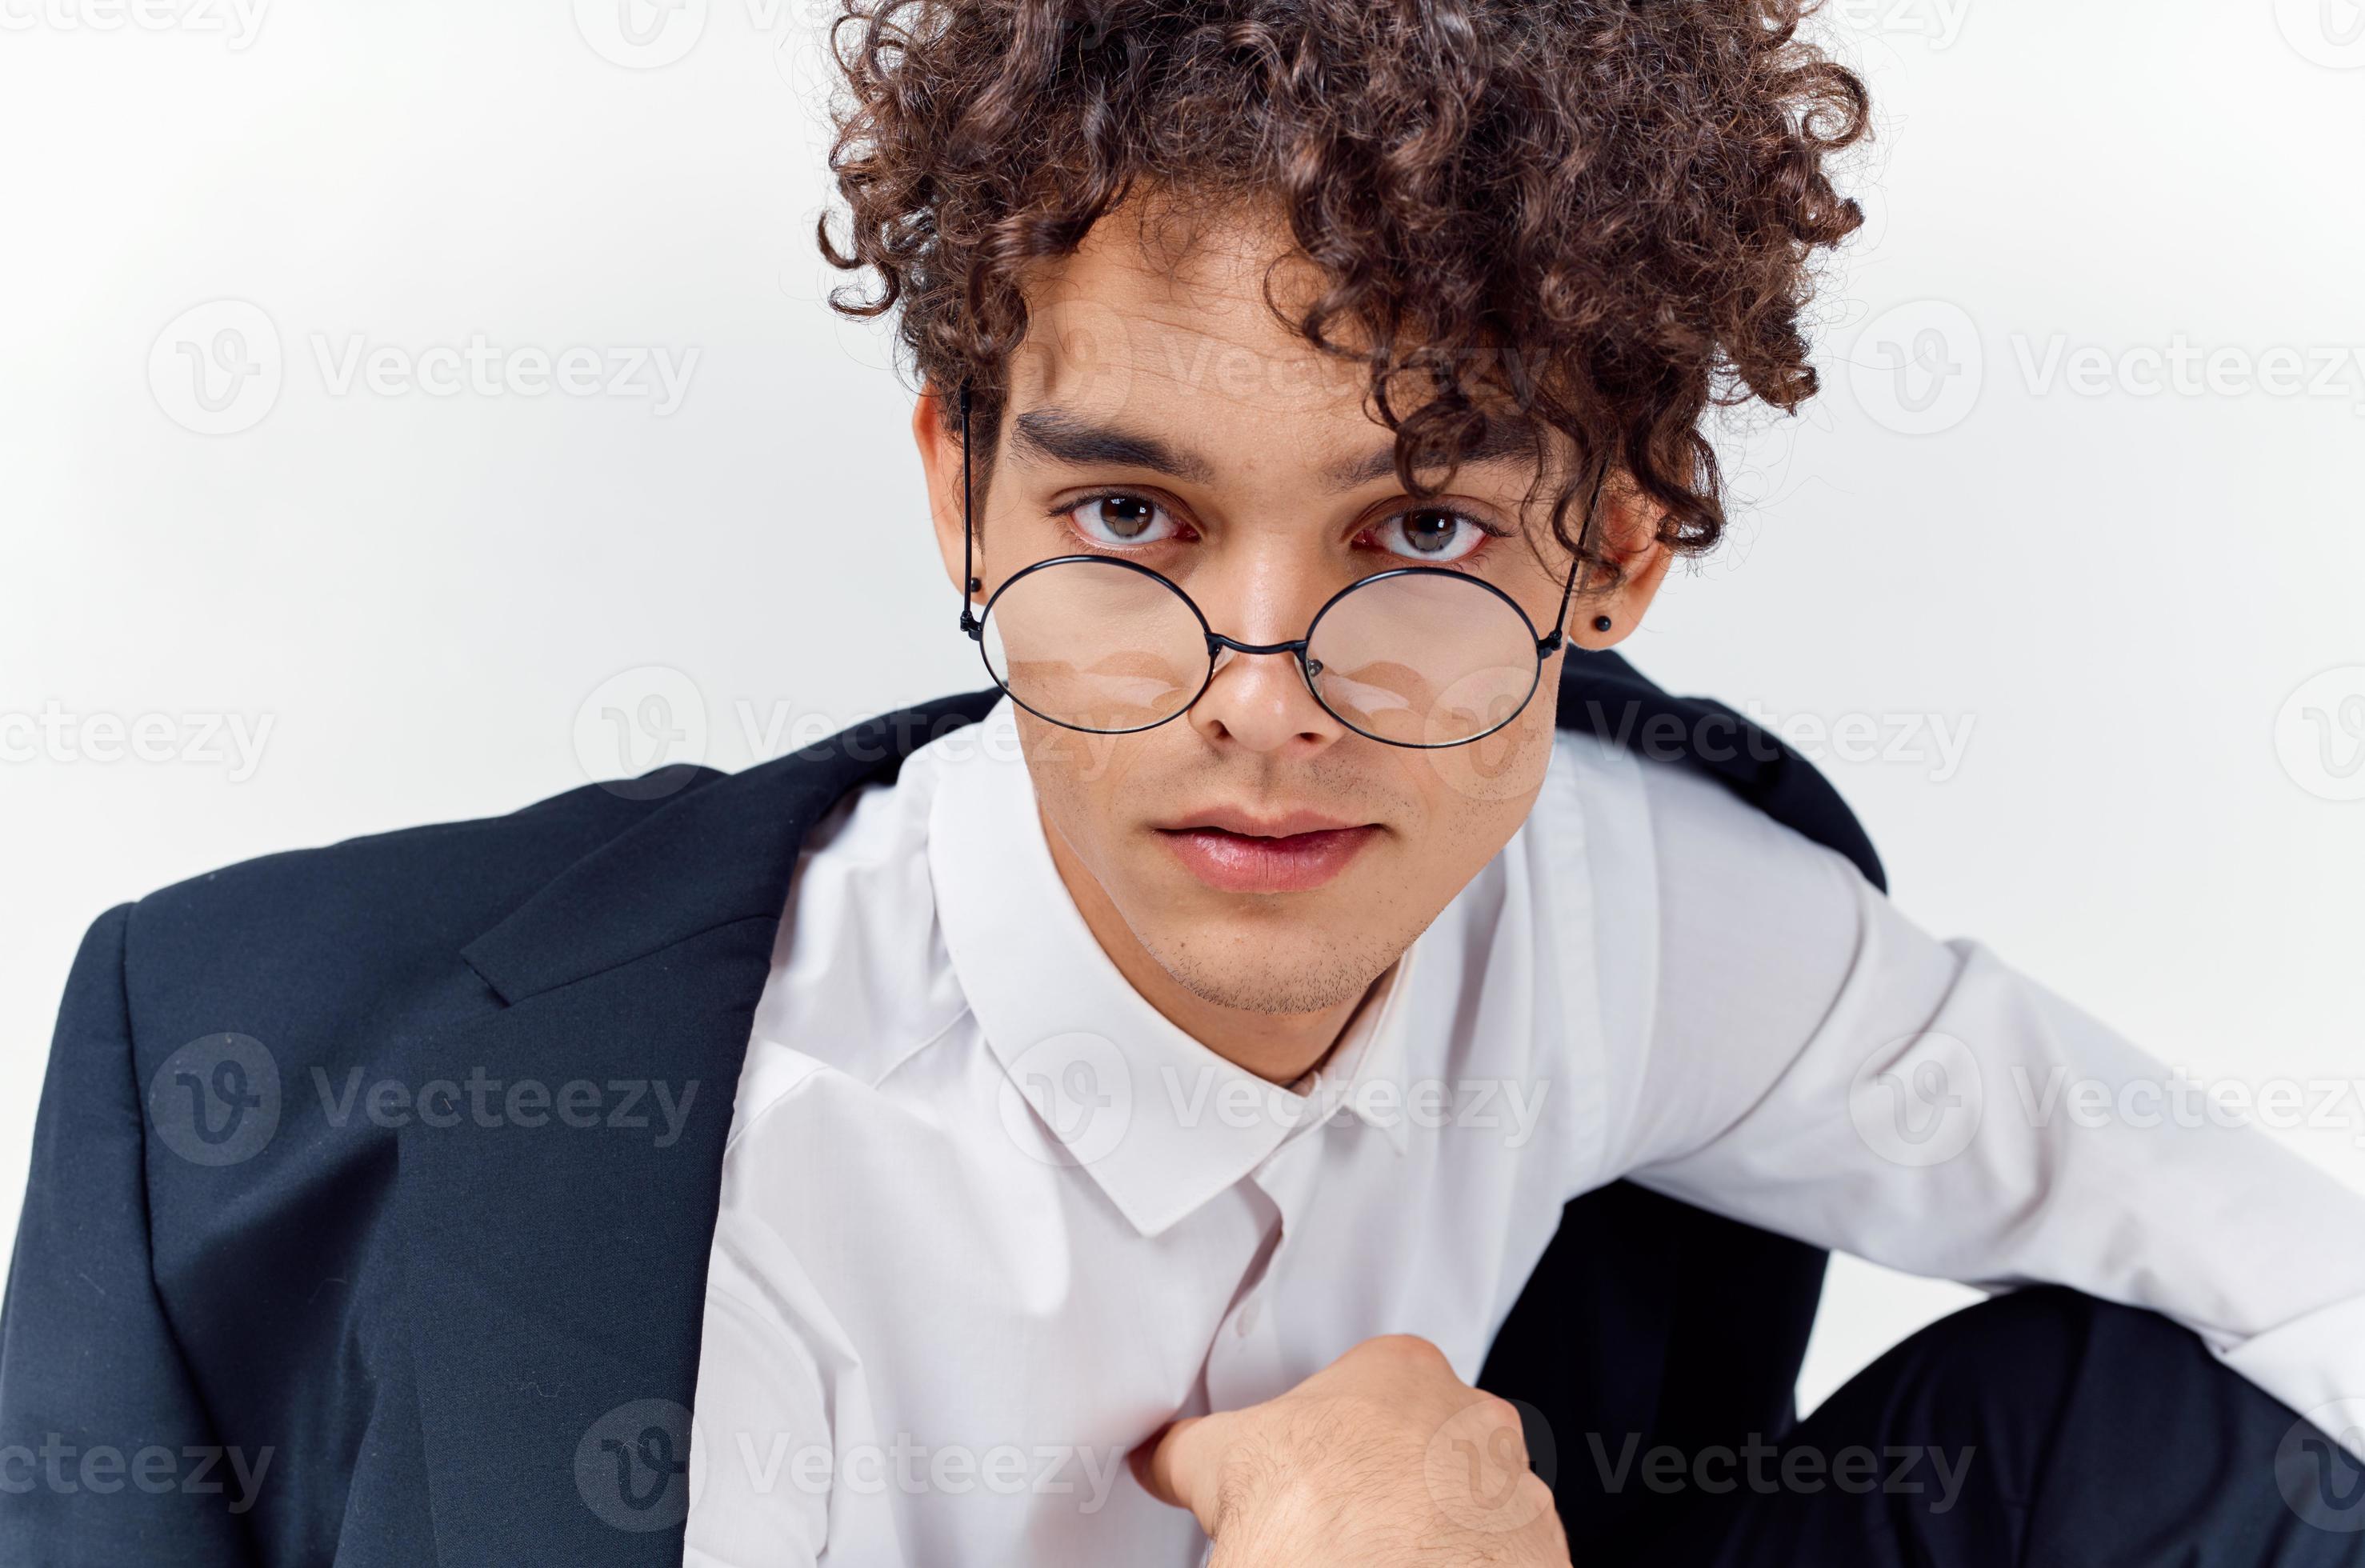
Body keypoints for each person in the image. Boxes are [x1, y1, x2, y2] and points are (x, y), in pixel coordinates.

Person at [6, 2, 2363, 1565]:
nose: (1263, 697)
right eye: (1130, 521)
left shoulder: (1629, 913)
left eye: (1420, 532)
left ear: (1614, 550)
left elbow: (2267, 1264)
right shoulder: (684, 1188)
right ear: (960, 493)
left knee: (2174, 1445)